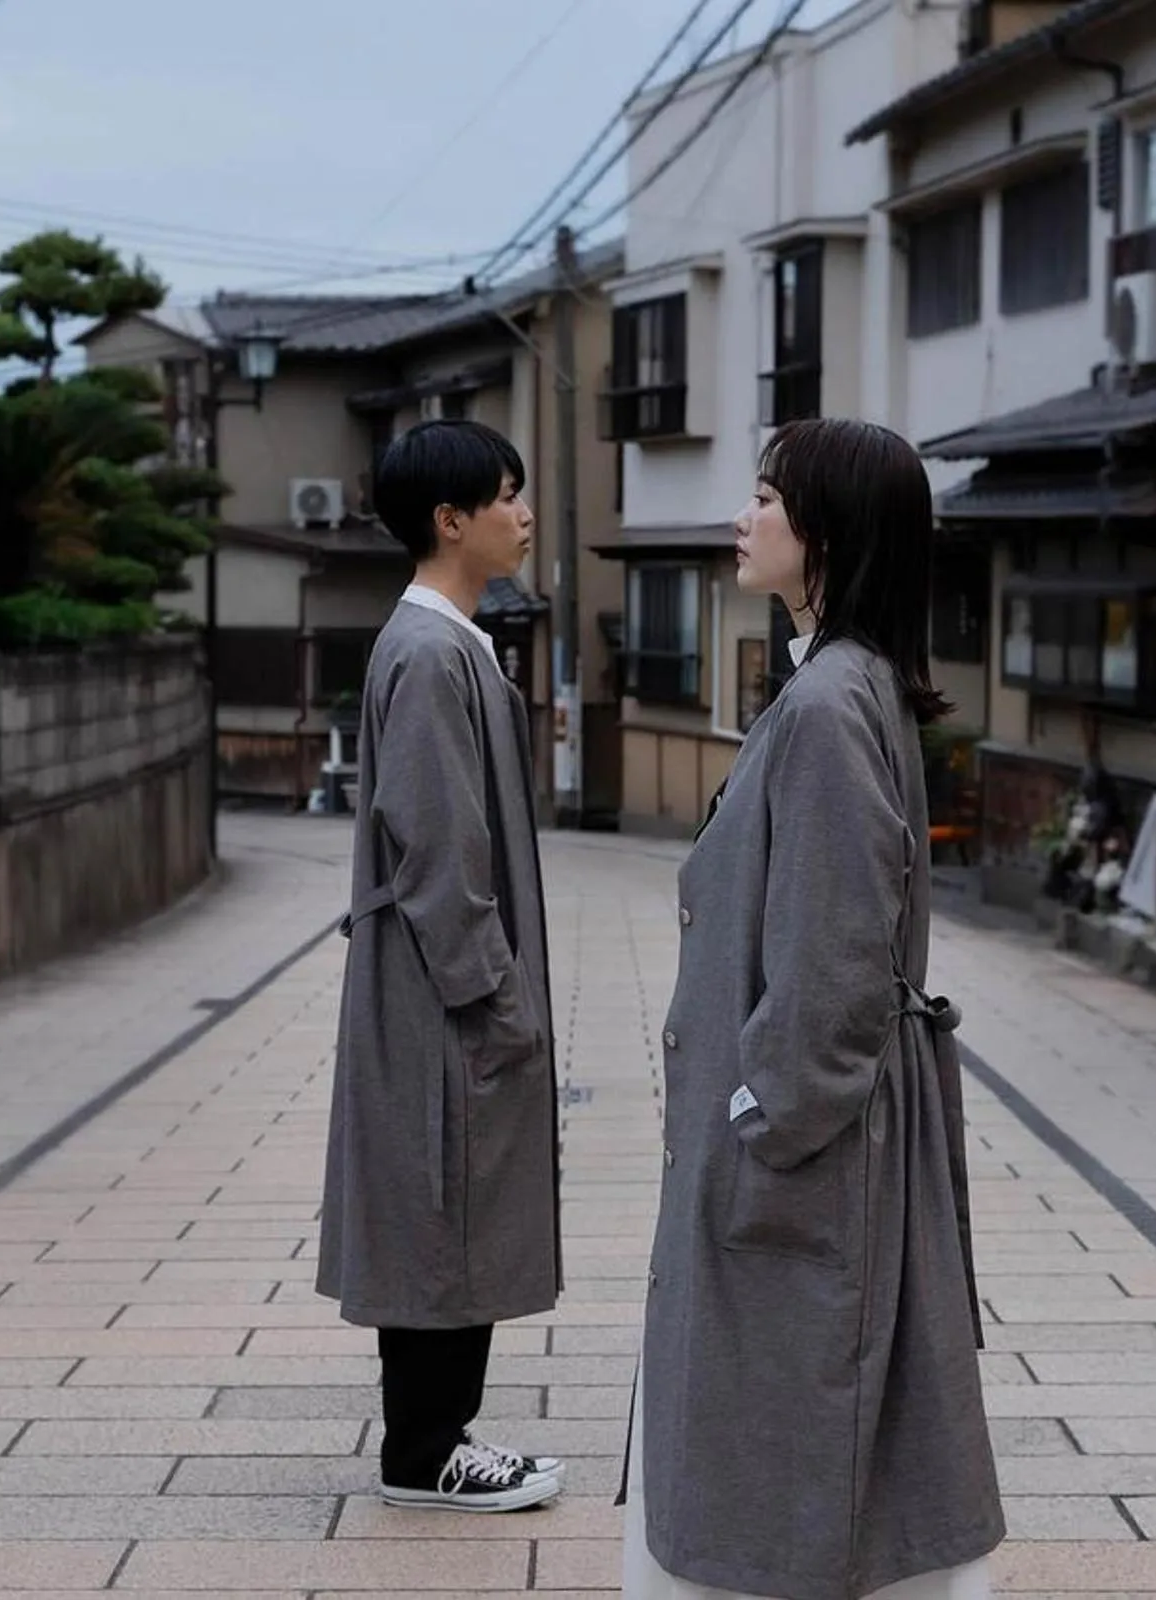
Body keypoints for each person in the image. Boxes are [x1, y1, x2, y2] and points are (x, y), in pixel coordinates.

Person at [626, 418, 1003, 1598]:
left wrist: (764, 1108)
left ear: (827, 534)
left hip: (810, 1142)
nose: (745, 519)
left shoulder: (831, 704)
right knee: (813, 1418)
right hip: (818, 1134)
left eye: (768, 499)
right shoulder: (845, 685)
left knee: (792, 1422)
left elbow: (836, 956)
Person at [321, 419, 566, 1513]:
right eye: (507, 495)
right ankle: (427, 1449)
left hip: (438, 986)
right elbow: (437, 845)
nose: (524, 513)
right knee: (441, 1204)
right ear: (450, 519)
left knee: (448, 1203)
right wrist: (495, 996)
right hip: (440, 992)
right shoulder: (428, 650)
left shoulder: (446, 640)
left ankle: (437, 1438)